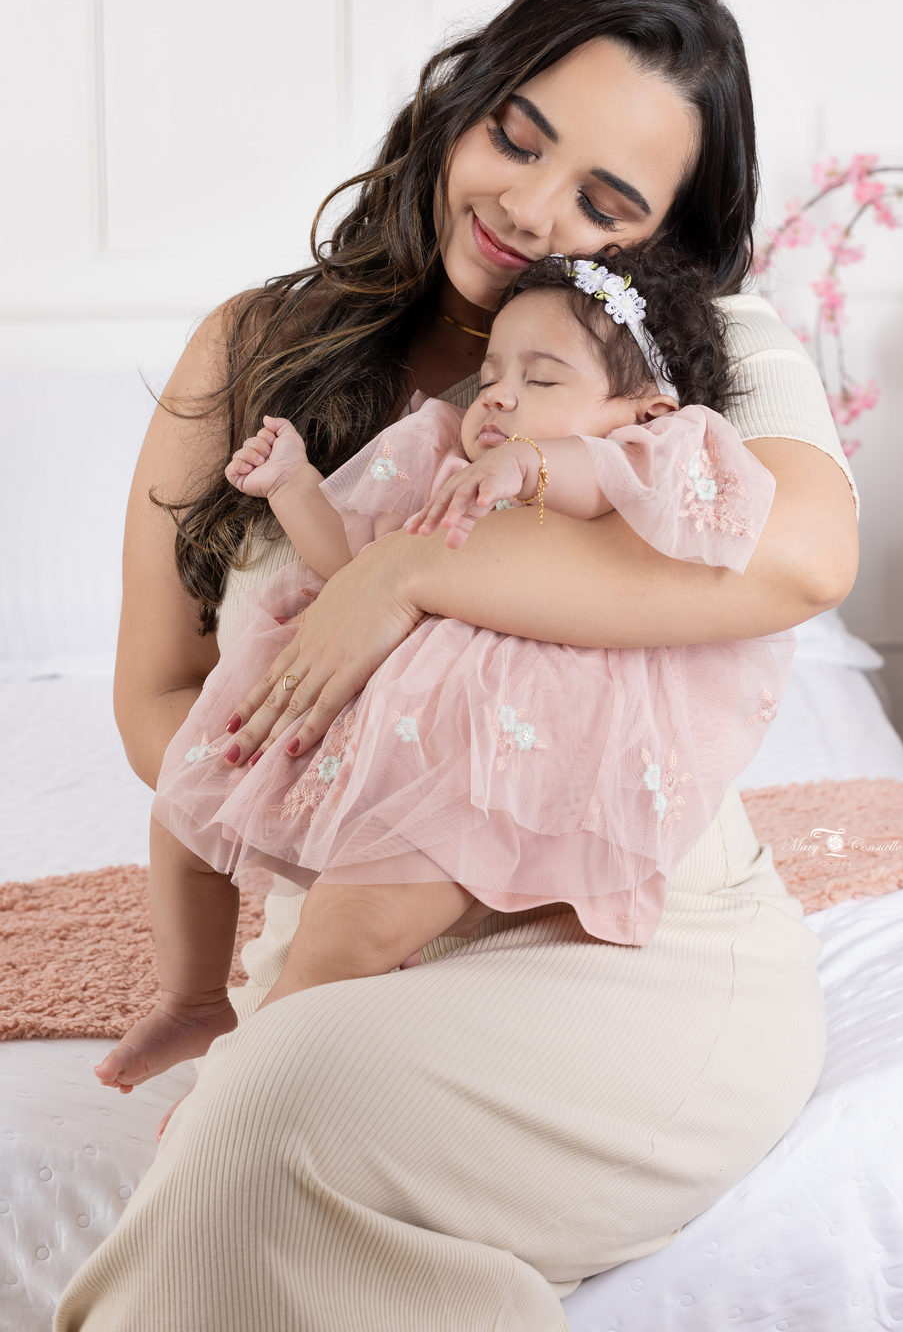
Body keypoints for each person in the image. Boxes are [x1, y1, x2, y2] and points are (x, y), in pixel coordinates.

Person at [55, 0, 859, 1332]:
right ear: (461, 106)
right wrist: (320, 774)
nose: (533, 210)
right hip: (354, 912)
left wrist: (415, 576)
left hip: (633, 946)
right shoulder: (254, 351)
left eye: (607, 203)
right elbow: (162, 692)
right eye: (519, 137)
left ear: (667, 236)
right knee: (275, 1116)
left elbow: (799, 554)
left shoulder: (704, 353)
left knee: (266, 1123)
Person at [96, 250, 794, 1093]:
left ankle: (253, 1078)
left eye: (541, 380)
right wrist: (294, 488)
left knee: (348, 929)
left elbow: (600, 472)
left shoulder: (646, 455)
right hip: (374, 723)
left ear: (639, 410)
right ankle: (193, 998)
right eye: (493, 368)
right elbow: (354, 562)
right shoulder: (441, 455)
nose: (497, 394)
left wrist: (529, 466)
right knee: (186, 798)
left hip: (482, 769)